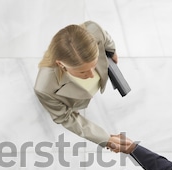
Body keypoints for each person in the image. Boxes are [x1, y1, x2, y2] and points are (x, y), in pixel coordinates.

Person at [34, 21, 124, 151]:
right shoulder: (44, 87)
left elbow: (107, 40)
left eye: (94, 65)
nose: (92, 75)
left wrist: (112, 51)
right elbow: (65, 117)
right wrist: (105, 139)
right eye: (82, 72)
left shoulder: (94, 30)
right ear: (61, 64)